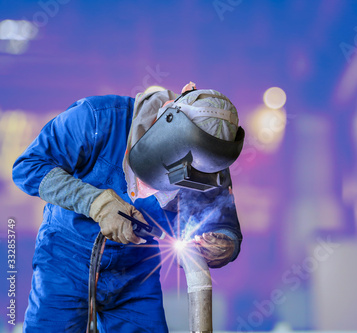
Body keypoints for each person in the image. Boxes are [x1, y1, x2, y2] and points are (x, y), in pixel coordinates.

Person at [12, 82, 243, 332]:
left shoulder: (208, 163)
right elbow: (28, 167)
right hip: (66, 259)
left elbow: (222, 224)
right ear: (166, 114)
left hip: (137, 272)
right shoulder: (97, 118)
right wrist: (97, 203)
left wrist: (223, 245)